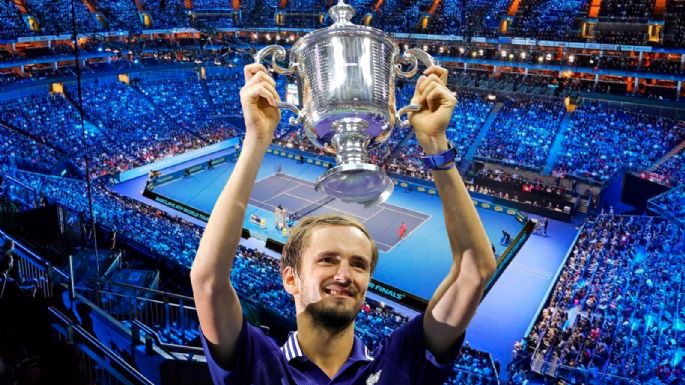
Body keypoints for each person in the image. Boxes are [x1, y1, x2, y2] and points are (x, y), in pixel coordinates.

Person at [190, 63, 497, 385]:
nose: (344, 274)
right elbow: (208, 281)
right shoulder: (258, 363)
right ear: (290, 279)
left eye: (359, 264)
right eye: (327, 259)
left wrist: (434, 142)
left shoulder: (401, 359)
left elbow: (473, 271)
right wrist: (256, 139)